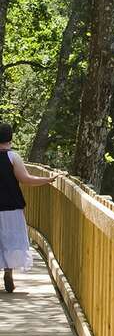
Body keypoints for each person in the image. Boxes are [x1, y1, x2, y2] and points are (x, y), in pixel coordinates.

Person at [0, 122, 57, 293]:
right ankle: (8, 271)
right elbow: (25, 179)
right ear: (10, 138)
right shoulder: (13, 157)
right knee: (11, 240)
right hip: (11, 206)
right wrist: (46, 180)